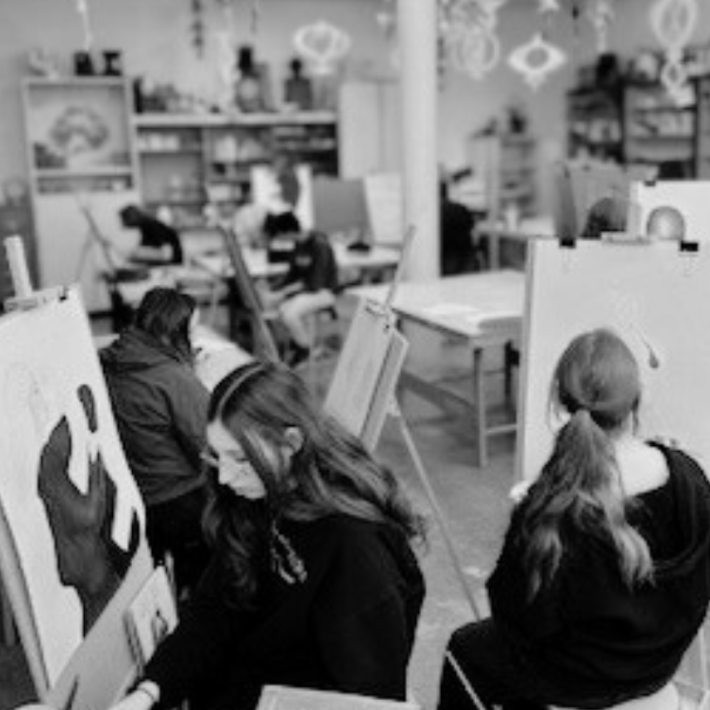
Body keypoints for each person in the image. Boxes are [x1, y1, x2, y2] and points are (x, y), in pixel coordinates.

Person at [110, 361, 426, 710]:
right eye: (219, 456)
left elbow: (364, 697)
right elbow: (215, 606)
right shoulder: (261, 493)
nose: (225, 476)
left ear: (291, 443)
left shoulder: (356, 549)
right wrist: (150, 691)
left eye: (240, 459)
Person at [438, 328, 710, 710]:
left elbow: (515, 619)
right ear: (638, 398)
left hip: (578, 683)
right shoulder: (690, 479)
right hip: (658, 666)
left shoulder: (551, 507)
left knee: (465, 647)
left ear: (562, 401)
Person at [100, 287, 210, 596]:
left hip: (131, 496)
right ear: (175, 332)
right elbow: (206, 446)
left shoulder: (109, 359)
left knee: (152, 580)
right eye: (192, 331)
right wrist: (192, 379)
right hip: (178, 499)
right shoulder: (172, 378)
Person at [263, 228, 338, 368]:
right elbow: (292, 275)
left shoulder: (320, 246)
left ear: (287, 232)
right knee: (282, 309)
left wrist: (284, 293)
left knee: (290, 315)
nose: (280, 240)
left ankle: (305, 349)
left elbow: (315, 284)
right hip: (306, 291)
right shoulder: (298, 244)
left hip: (324, 292)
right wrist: (274, 289)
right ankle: (299, 344)